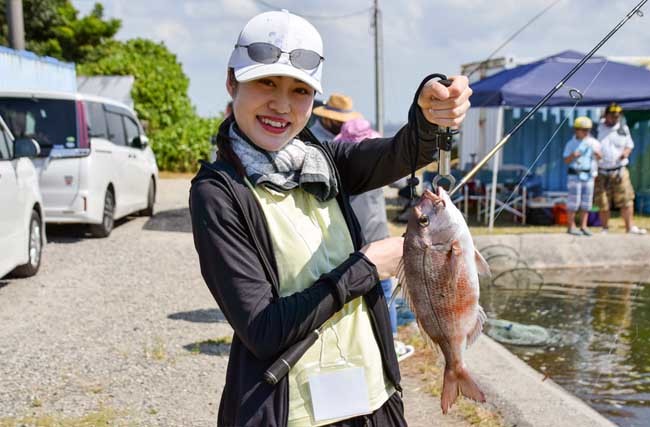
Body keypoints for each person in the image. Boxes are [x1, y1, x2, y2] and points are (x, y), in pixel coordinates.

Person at [188, 10, 472, 427]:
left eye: (299, 90)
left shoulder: (323, 162)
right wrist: (368, 267)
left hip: (370, 399)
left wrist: (430, 108)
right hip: (290, 412)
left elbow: (404, 150)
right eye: (266, 82)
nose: (281, 104)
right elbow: (263, 329)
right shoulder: (218, 193)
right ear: (232, 82)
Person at [334, 118, 414, 362]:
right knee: (385, 290)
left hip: (350, 239)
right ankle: (390, 341)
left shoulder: (340, 168)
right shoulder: (375, 166)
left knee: (354, 291)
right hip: (377, 236)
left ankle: (359, 340)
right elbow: (400, 179)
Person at [594, 103, 646, 234]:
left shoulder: (623, 128)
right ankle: (604, 228)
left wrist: (626, 153)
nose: (615, 119)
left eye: (617, 116)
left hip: (619, 170)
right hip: (602, 170)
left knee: (626, 199)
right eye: (612, 116)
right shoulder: (597, 128)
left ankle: (630, 227)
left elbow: (629, 145)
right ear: (606, 115)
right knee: (603, 201)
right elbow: (589, 144)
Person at [563, 116, 600, 236]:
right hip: (575, 175)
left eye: (588, 130)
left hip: (589, 175)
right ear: (576, 130)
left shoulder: (594, 143)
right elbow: (566, 160)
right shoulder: (571, 143)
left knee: (586, 202)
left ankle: (584, 226)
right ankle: (571, 226)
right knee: (573, 202)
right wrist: (574, 155)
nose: (586, 132)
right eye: (583, 130)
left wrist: (598, 154)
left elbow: (600, 158)